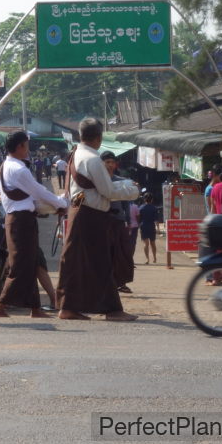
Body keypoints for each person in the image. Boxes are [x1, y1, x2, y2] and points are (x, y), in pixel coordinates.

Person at [56, 118, 140, 321]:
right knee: (100, 263)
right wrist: (132, 190)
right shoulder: (93, 159)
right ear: (99, 137)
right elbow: (108, 191)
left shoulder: (76, 154)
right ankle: (111, 310)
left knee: (77, 262)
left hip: (80, 211)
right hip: (91, 215)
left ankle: (69, 307)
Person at [0, 131, 66, 318]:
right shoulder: (19, 169)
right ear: (19, 147)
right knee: (21, 265)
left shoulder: (6, 166)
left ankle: (35, 308)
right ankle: (0, 306)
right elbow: (39, 191)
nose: (28, 150)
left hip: (19, 218)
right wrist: (60, 203)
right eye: (26, 145)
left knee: (30, 263)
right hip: (21, 220)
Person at [100, 151, 135, 294]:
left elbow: (125, 202)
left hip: (119, 221)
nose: (109, 165)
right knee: (106, 254)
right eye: (106, 162)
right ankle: (105, 283)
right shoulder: (98, 181)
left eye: (111, 162)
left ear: (115, 164)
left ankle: (121, 283)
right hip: (103, 221)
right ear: (101, 164)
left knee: (123, 253)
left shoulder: (120, 181)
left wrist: (128, 220)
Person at [137, 196, 160, 264]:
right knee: (153, 243)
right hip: (151, 226)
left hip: (143, 226)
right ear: (152, 200)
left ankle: (147, 259)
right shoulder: (154, 208)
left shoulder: (141, 207)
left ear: (144, 199)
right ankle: (155, 258)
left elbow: (138, 218)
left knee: (146, 244)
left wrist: (138, 226)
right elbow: (156, 220)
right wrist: (158, 228)